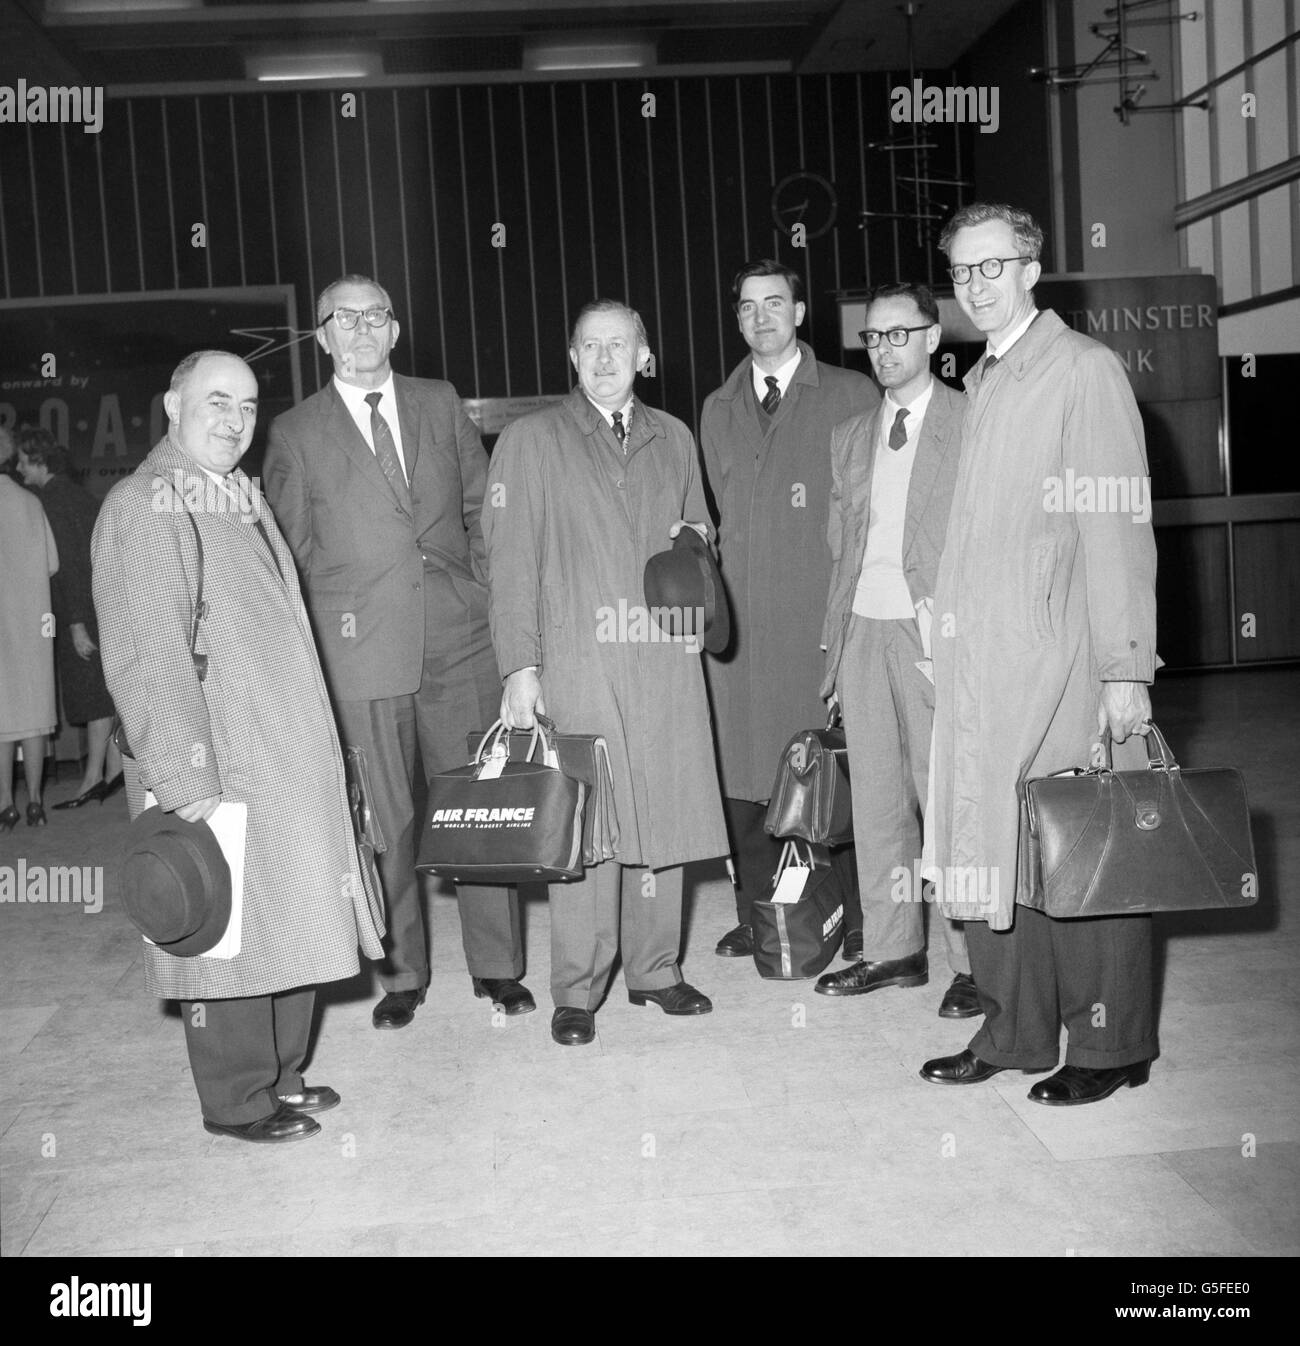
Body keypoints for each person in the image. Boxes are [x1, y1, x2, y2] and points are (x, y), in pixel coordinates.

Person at [92, 350, 385, 1143]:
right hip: (217, 760)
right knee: (222, 937)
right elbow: (149, 653)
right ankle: (236, 1098)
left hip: (277, 754)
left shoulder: (232, 494)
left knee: (288, 919)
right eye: (215, 402)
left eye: (248, 406)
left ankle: (280, 1073)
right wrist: (186, 778)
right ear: (171, 405)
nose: (234, 420)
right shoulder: (148, 505)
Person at [920, 203, 1158, 1105]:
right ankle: (1013, 1032)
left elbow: (1117, 528)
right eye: (962, 272)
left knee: (1081, 852)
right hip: (979, 664)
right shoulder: (983, 382)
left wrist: (1125, 666)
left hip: (1060, 659)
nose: (976, 286)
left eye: (993, 267)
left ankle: (1110, 1047)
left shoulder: (1082, 372)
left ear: (1032, 268)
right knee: (991, 853)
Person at [264, 275, 532, 1030]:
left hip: (459, 642)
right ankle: (403, 972)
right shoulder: (294, 433)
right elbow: (289, 557)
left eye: (372, 317)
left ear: (395, 329)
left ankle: (499, 967)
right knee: (387, 821)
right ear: (321, 338)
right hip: (359, 656)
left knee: (482, 811)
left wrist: (484, 595)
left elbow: (484, 508)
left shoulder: (440, 401)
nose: (358, 331)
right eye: (342, 320)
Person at [484, 300, 727, 1046]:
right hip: (576, 654)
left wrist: (695, 547)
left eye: (618, 345)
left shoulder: (674, 436)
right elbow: (509, 560)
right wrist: (520, 667)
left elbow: (699, 532)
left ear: (644, 356)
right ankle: (577, 988)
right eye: (589, 346)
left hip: (660, 654)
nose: (603, 358)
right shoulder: (531, 440)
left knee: (662, 811)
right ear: (571, 357)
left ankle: (656, 969)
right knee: (587, 825)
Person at [700, 259, 879, 958]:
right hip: (743, 632)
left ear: (801, 313)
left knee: (844, 776)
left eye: (775, 303)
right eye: (747, 307)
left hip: (820, 623)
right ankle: (759, 913)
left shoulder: (850, 393)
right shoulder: (717, 408)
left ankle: (864, 915)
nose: (761, 317)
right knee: (748, 782)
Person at [815, 282, 976, 1017]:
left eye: (897, 334)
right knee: (878, 803)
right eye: (873, 338)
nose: (883, 349)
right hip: (862, 633)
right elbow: (839, 550)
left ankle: (974, 961)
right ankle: (892, 949)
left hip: (933, 635)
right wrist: (835, 653)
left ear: (933, 339)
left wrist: (960, 639)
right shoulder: (850, 435)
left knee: (947, 803)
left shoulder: (971, 422)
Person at [14, 428, 123, 809]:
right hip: (102, 603)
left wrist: (75, 622)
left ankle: (93, 779)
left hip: (81, 610)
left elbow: (72, 565)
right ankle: (110, 772)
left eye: (23, 461)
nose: (18, 468)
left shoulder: (51, 500)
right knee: (104, 696)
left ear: (39, 462)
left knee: (92, 697)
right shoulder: (77, 495)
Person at [0, 425, 58, 831]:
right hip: (34, 622)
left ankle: (6, 805)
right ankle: (36, 801)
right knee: (35, 716)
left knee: (2, 719)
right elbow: (52, 563)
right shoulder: (30, 502)